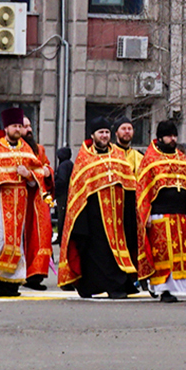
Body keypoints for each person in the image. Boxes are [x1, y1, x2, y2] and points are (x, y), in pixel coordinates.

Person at [59, 125, 142, 299]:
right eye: (100, 133)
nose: (104, 136)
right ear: (92, 135)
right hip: (94, 215)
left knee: (119, 250)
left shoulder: (118, 156)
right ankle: (96, 285)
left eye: (106, 133)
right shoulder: (85, 159)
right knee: (97, 252)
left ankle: (120, 283)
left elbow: (129, 183)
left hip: (118, 214)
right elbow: (77, 190)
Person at [135, 121, 186, 302]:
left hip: (180, 216)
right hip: (159, 215)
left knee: (180, 254)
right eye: (169, 136)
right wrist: (145, 215)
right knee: (162, 254)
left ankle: (180, 289)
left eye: (174, 136)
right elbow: (143, 190)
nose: (173, 139)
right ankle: (162, 289)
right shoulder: (150, 159)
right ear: (160, 137)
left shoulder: (181, 158)